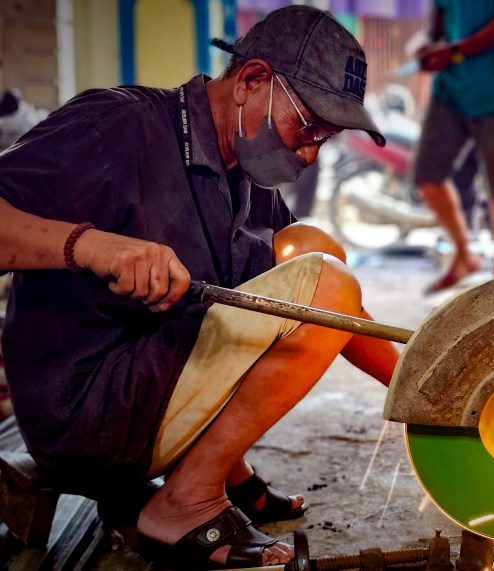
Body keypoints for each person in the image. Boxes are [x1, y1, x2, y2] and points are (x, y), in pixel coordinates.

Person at [0, 6, 399, 568]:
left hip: (147, 381)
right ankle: (186, 501)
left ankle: (228, 474)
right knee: (322, 281)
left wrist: (416, 386)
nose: (309, 154)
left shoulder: (247, 171)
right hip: (85, 411)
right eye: (307, 127)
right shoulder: (115, 127)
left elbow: (323, 299)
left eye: (324, 140)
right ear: (253, 80)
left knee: (312, 252)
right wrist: (92, 245)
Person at [413, 0, 494, 293]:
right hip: (452, 90)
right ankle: (464, 254)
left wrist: (457, 51)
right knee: (427, 176)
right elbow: (435, 30)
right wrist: (425, 47)